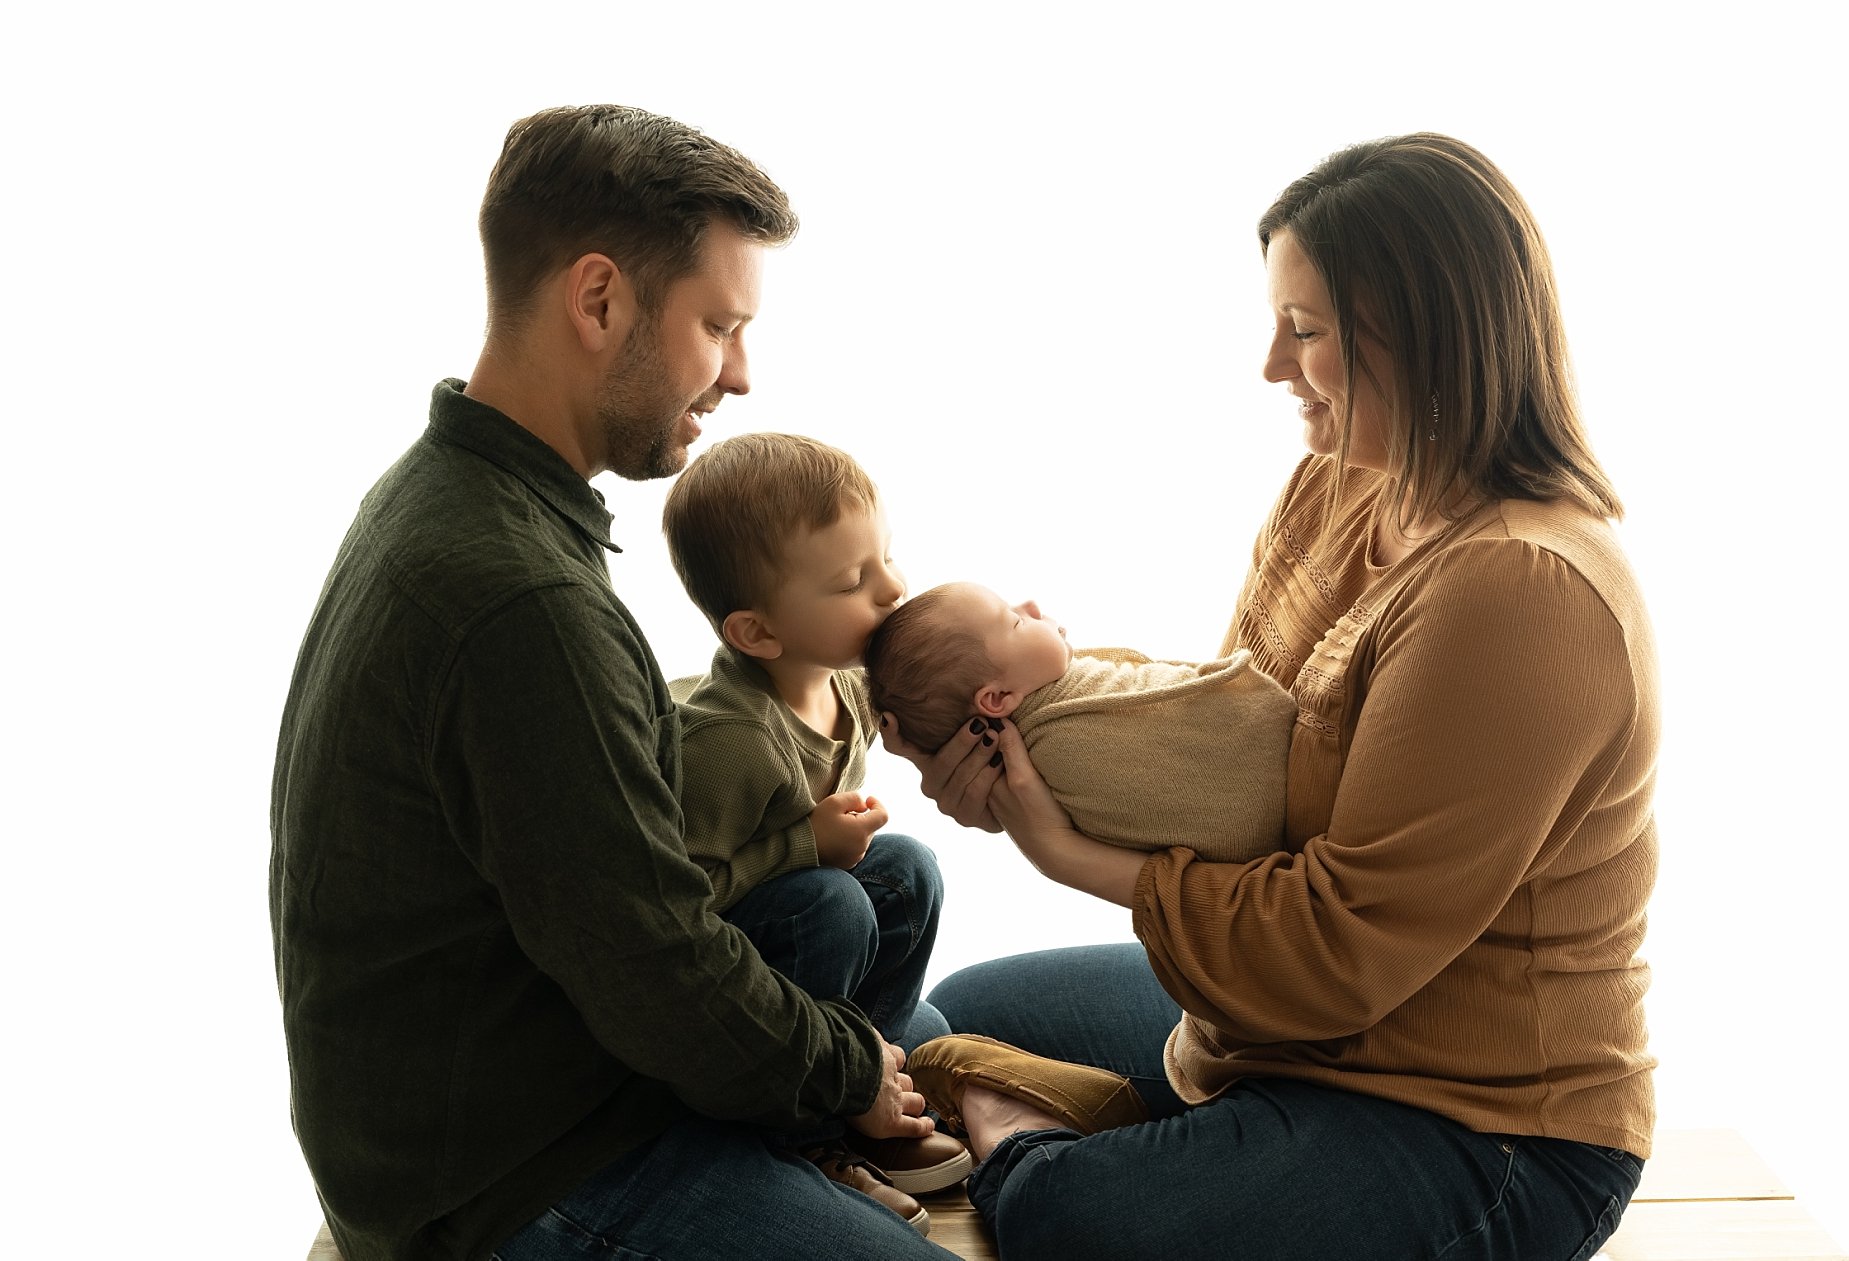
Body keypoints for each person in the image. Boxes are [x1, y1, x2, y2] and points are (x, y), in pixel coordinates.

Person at [888, 132, 1660, 1260]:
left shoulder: (1521, 590)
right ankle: (1158, 1134)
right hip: (1285, 1037)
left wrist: (1068, 855)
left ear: (1425, 335)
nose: (1269, 366)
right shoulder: (1336, 483)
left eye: (1302, 332)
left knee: (1073, 1218)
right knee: (964, 1004)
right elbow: (1227, 748)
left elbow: (1343, 952)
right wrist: (1022, 748)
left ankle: (1048, 1146)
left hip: (1476, 1121)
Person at [270, 105, 957, 1261]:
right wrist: (846, 1071)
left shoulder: (452, 494)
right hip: (510, 1169)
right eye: (718, 326)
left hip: (515, 1049)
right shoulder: (517, 596)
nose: (740, 374)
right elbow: (654, 967)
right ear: (599, 301)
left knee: (881, 879)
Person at [659, 431, 970, 1197]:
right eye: (853, 580)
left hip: (787, 917)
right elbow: (675, 901)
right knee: (831, 904)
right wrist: (804, 844)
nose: (891, 589)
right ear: (757, 631)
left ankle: (873, 1081)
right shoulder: (729, 740)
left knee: (908, 872)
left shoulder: (844, 685)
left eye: (886, 557)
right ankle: (803, 1137)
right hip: (715, 971)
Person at [865, 580, 1294, 864]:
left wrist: (1056, 850)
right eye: (1015, 620)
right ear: (996, 698)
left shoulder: (1038, 748)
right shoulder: (1062, 738)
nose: (1031, 605)